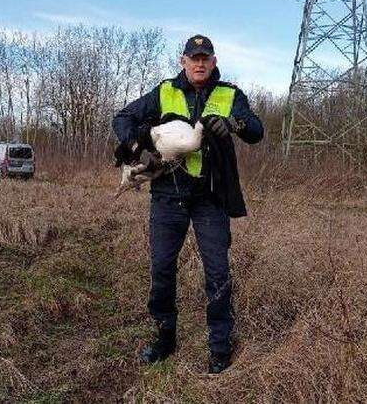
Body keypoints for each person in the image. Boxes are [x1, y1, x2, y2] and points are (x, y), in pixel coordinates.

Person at [112, 34, 264, 374]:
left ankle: (220, 347)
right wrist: (134, 139)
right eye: (193, 57)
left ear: (213, 61)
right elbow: (122, 117)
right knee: (162, 269)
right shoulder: (164, 91)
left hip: (211, 198)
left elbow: (256, 130)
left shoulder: (230, 95)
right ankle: (165, 339)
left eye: (205, 58)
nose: (199, 63)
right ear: (183, 61)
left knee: (218, 272)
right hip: (168, 195)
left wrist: (233, 124)